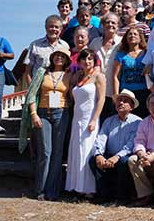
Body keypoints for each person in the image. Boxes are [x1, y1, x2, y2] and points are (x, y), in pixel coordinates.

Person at [21, 48, 71, 201]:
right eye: (57, 56)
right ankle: (40, 189)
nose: (59, 58)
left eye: (62, 56)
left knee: (57, 153)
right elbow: (31, 94)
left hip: (61, 113)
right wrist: (34, 114)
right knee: (45, 152)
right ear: (52, 57)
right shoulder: (42, 73)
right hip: (43, 113)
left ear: (67, 59)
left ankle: (52, 190)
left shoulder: (70, 75)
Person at [65, 48, 106, 197]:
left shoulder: (99, 77)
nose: (87, 61)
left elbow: (101, 99)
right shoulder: (78, 77)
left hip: (90, 118)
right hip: (77, 119)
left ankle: (88, 189)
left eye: (90, 59)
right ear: (80, 61)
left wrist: (94, 119)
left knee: (86, 151)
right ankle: (76, 186)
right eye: (84, 59)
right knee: (76, 150)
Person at [89, 89, 142, 204]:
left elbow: (131, 144)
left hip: (126, 155)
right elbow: (101, 138)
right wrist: (98, 154)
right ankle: (104, 195)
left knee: (124, 162)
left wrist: (117, 157)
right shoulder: (109, 121)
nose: (121, 103)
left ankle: (122, 197)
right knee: (93, 160)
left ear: (132, 107)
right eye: (119, 100)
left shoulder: (138, 122)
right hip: (110, 154)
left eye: (125, 101)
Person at [89, 13, 122, 123]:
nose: (110, 24)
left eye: (113, 22)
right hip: (97, 91)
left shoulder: (122, 43)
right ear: (102, 25)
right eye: (107, 22)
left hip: (115, 91)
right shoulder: (95, 43)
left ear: (118, 25)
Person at [113, 28, 149, 118]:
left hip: (143, 92)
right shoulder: (121, 55)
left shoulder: (146, 53)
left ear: (140, 38)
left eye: (135, 34)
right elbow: (116, 76)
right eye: (130, 34)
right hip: (126, 93)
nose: (132, 36)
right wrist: (116, 95)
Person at [24, 15, 70, 83]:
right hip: (38, 86)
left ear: (61, 29)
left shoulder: (65, 46)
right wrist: (31, 89)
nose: (54, 29)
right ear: (46, 28)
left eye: (56, 27)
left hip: (58, 86)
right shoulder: (35, 45)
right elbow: (28, 71)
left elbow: (67, 68)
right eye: (51, 26)